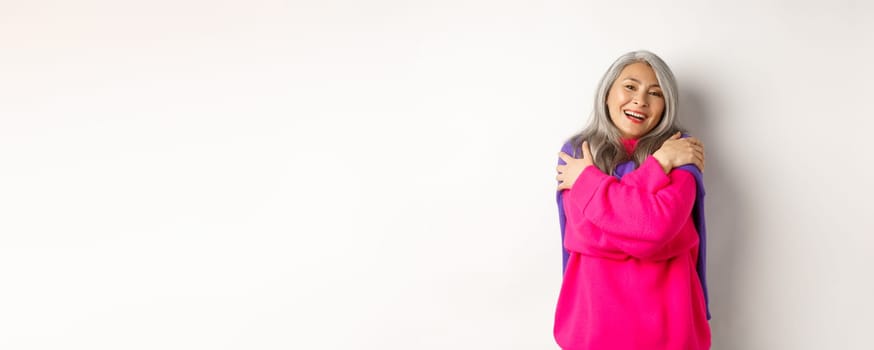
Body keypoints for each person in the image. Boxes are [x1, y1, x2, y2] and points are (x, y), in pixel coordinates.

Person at [553, 50, 711, 349]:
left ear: (666, 105)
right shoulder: (577, 151)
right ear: (608, 91)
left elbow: (656, 230)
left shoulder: (680, 150)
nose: (640, 100)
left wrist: (588, 183)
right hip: (593, 328)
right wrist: (658, 166)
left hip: (669, 331)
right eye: (630, 86)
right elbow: (586, 233)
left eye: (655, 92)